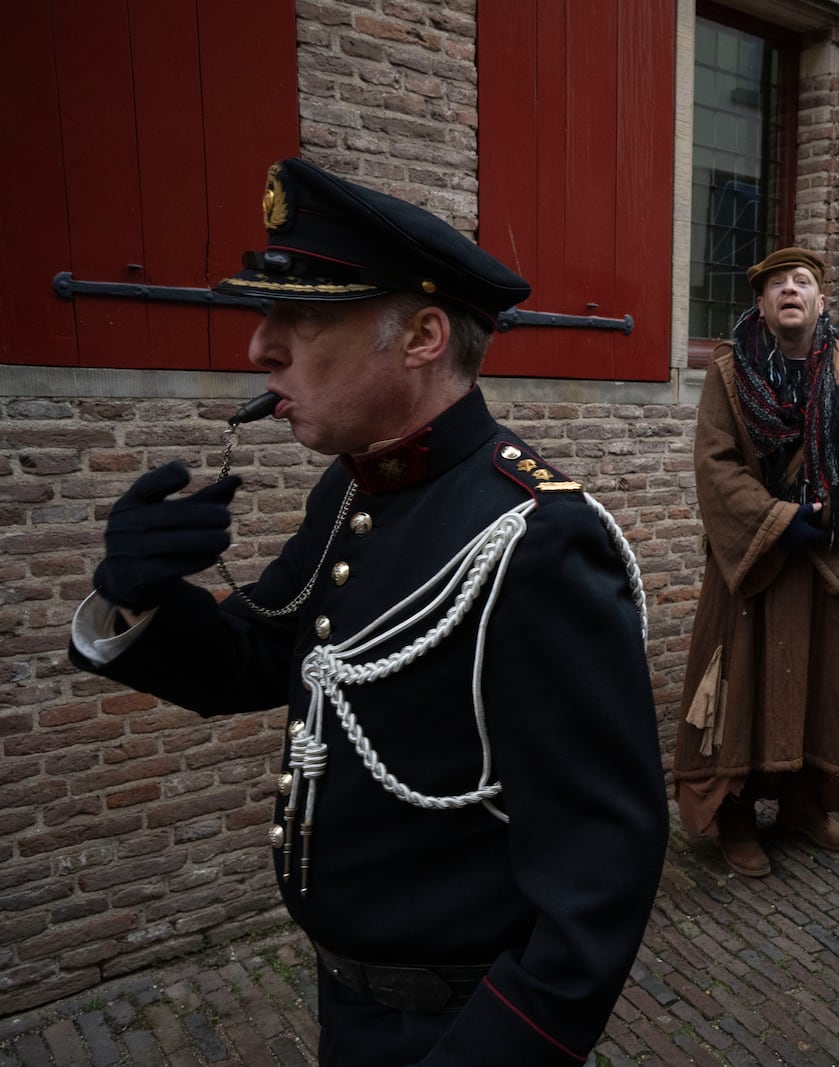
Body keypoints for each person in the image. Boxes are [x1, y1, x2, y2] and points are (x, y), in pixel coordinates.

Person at [67, 157, 669, 1066]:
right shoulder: (357, 489)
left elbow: (602, 872)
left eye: (301, 319)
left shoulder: (535, 537)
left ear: (424, 335)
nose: (259, 350)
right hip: (351, 1003)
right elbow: (262, 655)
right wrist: (134, 598)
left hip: (456, 1027)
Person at [673, 246, 839, 878]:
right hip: (758, 565)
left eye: (802, 281)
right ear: (761, 304)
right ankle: (737, 816)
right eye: (777, 283)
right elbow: (714, 466)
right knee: (745, 687)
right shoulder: (728, 374)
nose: (789, 290)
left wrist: (829, 514)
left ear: (821, 301)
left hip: (831, 563)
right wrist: (779, 522)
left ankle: (807, 805)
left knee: (825, 685)